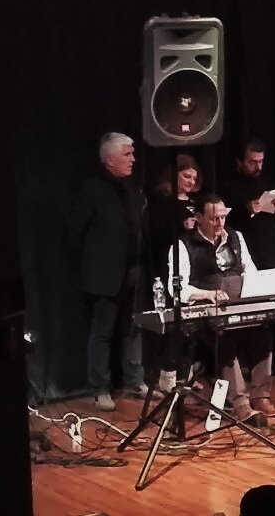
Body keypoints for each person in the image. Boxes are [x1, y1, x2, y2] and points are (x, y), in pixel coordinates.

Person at [167, 194, 275, 425]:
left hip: (239, 304)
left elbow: (250, 271)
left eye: (222, 217)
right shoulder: (183, 245)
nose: (220, 223)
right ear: (198, 218)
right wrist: (206, 294)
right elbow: (176, 287)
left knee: (264, 329)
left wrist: (261, 290)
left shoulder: (236, 237)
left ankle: (260, 396)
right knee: (223, 337)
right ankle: (241, 404)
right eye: (213, 218)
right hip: (208, 312)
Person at [68, 132, 158, 412]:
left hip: (135, 272)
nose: (133, 159)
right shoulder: (92, 190)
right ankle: (100, 388)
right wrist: (94, 264)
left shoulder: (132, 189)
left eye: (133, 153)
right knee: (102, 333)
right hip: (104, 276)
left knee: (134, 329)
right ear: (109, 160)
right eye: (127, 154)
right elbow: (75, 233)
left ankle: (134, 381)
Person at [219, 138, 275, 375]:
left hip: (271, 250)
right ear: (239, 162)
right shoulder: (228, 186)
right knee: (250, 312)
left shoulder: (267, 181)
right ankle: (249, 363)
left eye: (261, 161)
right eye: (252, 162)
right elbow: (224, 223)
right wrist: (245, 211)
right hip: (247, 254)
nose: (258, 166)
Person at [148, 154, 203, 392]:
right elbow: (155, 235)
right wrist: (181, 226)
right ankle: (166, 374)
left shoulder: (195, 202)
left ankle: (186, 373)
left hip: (194, 264)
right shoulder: (163, 202)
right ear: (173, 176)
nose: (191, 181)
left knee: (192, 324)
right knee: (174, 324)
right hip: (169, 266)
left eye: (194, 178)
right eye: (186, 176)